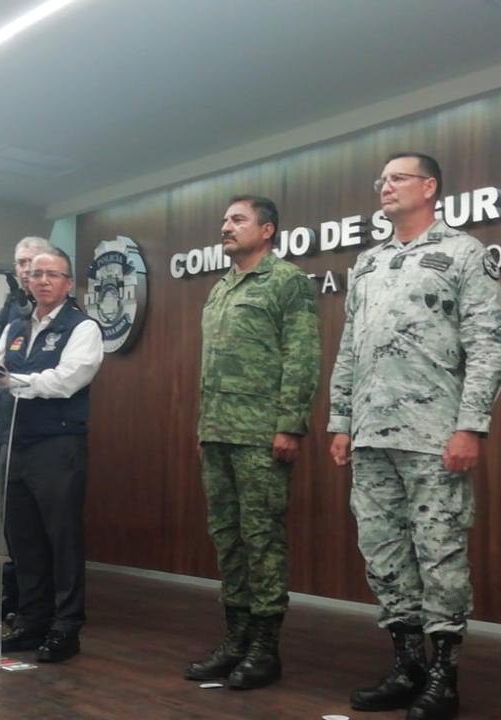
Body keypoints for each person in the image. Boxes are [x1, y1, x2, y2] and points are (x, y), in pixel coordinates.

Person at [328, 153, 501, 720]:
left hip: (434, 436)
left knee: (440, 553)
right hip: (370, 437)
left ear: (429, 187)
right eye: (380, 179)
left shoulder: (463, 252)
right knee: (382, 554)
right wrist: (340, 421)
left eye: (398, 178)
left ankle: (443, 677)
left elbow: (488, 345)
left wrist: (470, 425)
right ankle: (406, 665)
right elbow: (349, 347)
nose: (385, 186)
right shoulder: (368, 262)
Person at [184, 195, 319, 691]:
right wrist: (204, 427)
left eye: (237, 220)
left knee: (261, 539)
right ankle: (236, 638)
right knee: (227, 537)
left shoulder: (286, 282)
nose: (226, 227)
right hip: (218, 431)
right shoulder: (220, 288)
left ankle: (265, 647)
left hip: (261, 433)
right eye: (223, 220)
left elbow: (302, 355)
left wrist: (290, 424)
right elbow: (210, 367)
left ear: (267, 230)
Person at [0, 248, 103, 663]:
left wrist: (16, 381)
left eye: (53, 275)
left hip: (57, 444)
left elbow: (68, 379)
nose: (43, 281)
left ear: (69, 283)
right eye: (36, 275)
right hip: (14, 443)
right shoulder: (14, 326)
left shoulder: (82, 326)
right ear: (28, 282)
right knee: (24, 539)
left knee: (61, 539)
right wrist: (4, 383)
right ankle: (31, 621)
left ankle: (66, 627)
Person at [0, 236, 53, 625]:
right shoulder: (10, 309)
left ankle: (37, 603)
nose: (23, 270)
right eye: (19, 263)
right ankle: (14, 594)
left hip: (43, 435)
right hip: (6, 427)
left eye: (30, 262)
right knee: (12, 522)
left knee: (37, 526)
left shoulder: (61, 313)